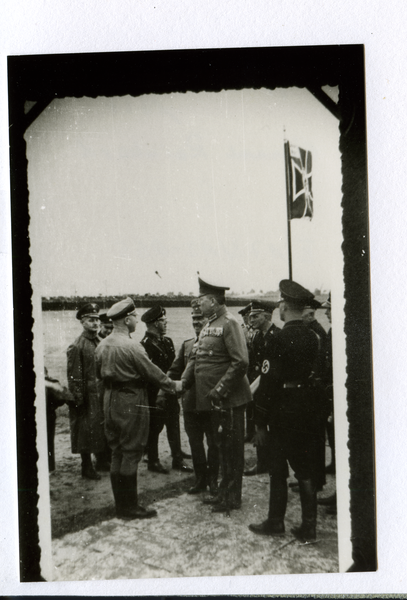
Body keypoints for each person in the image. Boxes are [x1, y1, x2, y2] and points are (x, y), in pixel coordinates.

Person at [248, 279, 324, 543]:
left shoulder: (278, 340)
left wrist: (259, 423)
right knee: (305, 470)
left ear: (284, 307)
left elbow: (267, 385)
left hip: (283, 413)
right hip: (309, 410)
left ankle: (275, 521)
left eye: (280, 303)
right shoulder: (314, 337)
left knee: (278, 469)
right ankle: (309, 527)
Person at [95, 297, 182, 520]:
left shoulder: (102, 345)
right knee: (132, 451)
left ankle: (120, 506)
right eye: (133, 316)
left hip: (110, 399)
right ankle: (130, 507)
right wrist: (175, 386)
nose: (135, 319)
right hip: (130, 399)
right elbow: (154, 374)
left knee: (116, 451)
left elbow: (98, 375)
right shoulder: (133, 347)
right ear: (126, 320)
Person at [182, 277, 252, 514]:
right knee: (222, 449)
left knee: (232, 451)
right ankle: (224, 492)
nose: (198, 304)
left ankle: (232, 498)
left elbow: (240, 361)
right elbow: (199, 359)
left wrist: (219, 390)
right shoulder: (211, 323)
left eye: (201, 300)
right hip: (215, 402)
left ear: (212, 301)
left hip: (228, 400)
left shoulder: (230, 322)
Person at [164, 300, 219, 494]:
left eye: (200, 318)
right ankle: (200, 480)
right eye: (194, 319)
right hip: (190, 405)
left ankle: (213, 481)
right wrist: (167, 385)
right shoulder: (187, 345)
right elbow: (174, 369)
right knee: (196, 445)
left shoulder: (217, 343)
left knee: (214, 444)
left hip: (210, 403)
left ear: (208, 319)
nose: (196, 322)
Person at [141, 305, 192, 474]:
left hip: (169, 391)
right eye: (163, 321)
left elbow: (174, 366)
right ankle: (153, 460)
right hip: (154, 394)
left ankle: (177, 457)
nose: (166, 323)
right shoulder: (144, 346)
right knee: (155, 428)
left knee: (174, 424)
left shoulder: (167, 341)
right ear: (155, 323)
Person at [67, 303, 109, 480]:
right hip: (87, 396)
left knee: (101, 427)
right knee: (84, 430)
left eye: (97, 320)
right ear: (82, 322)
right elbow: (74, 375)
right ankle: (86, 466)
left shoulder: (99, 341)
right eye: (91, 320)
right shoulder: (78, 346)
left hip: (101, 393)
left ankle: (101, 460)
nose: (95, 323)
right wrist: (78, 399)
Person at [244, 300, 280, 476]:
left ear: (267, 316)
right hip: (259, 387)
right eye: (250, 316)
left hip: (272, 389)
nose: (251, 320)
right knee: (259, 422)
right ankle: (262, 462)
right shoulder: (258, 337)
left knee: (272, 426)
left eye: (255, 316)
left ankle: (274, 463)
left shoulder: (277, 336)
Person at [317, 292, 337, 514]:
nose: (328, 313)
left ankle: (343, 497)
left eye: (330, 309)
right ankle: (338, 494)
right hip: (331, 395)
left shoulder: (343, 332)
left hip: (338, 396)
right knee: (334, 438)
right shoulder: (333, 332)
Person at [45, 367, 73, 472]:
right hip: (47, 413)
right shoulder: (51, 383)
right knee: (48, 440)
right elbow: (61, 398)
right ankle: (49, 466)